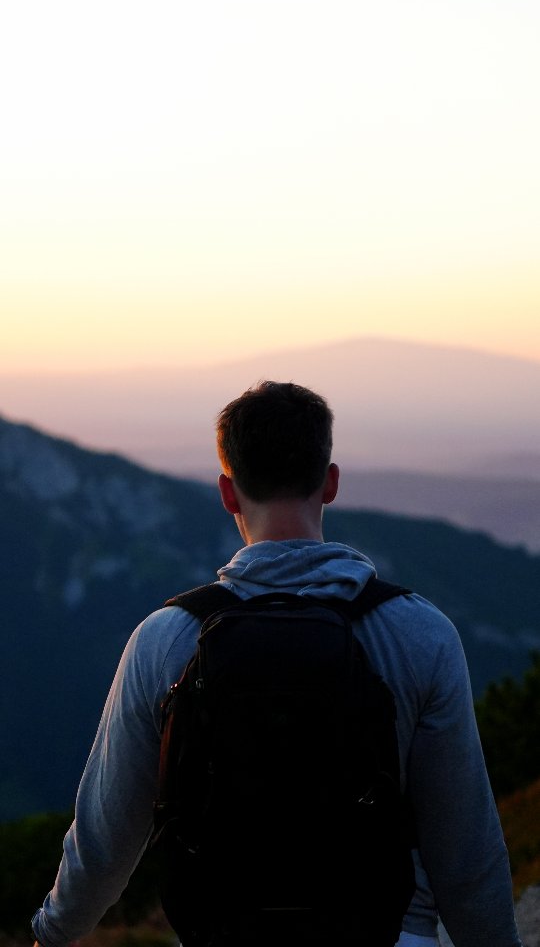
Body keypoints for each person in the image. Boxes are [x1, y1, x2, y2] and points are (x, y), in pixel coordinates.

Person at [32, 380, 522, 947]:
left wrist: (54, 931)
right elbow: (465, 848)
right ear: (331, 482)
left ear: (227, 492)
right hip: (385, 932)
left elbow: (105, 837)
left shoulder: (165, 641)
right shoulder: (419, 634)